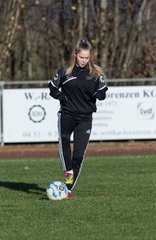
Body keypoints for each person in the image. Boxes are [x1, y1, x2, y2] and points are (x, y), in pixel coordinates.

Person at [48, 39, 108, 199]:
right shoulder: (65, 71)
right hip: (67, 115)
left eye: (87, 58)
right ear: (75, 55)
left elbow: (102, 93)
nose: (84, 61)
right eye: (81, 57)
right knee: (65, 140)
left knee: (79, 155)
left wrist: (98, 94)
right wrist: (61, 97)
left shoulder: (96, 74)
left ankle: (68, 189)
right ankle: (67, 172)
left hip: (85, 118)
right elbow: (52, 88)